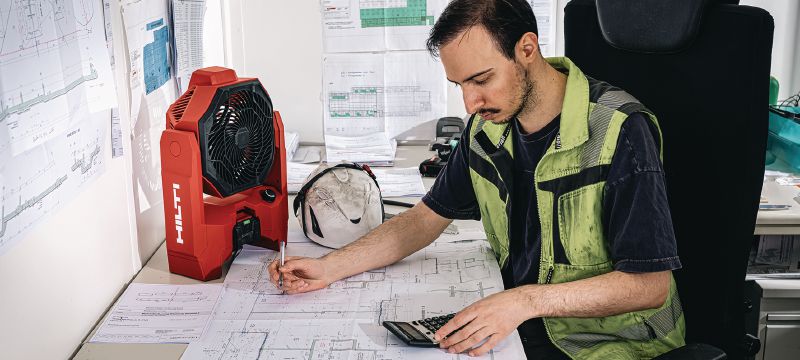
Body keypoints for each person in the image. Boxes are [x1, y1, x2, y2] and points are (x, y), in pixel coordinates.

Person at [269, 0, 685, 358]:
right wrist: (328, 268)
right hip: (526, 328)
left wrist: (520, 302)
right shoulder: (486, 129)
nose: (470, 103)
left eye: (481, 80)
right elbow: (422, 221)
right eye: (459, 84)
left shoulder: (620, 131)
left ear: (526, 49)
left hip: (612, 344)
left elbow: (649, 286)